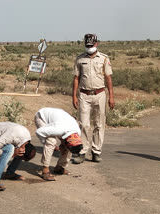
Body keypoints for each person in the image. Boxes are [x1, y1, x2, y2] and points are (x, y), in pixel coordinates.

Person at [72, 33, 115, 164]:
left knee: (99, 124)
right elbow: (76, 78)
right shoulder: (80, 59)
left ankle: (96, 152)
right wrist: (74, 96)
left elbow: (108, 78)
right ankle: (83, 152)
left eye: (91, 45)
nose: (89, 47)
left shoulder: (104, 58)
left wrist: (111, 96)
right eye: (87, 45)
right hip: (84, 94)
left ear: (96, 44)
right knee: (84, 124)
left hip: (100, 94)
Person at [0, 122, 36, 191]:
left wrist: (15, 154)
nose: (22, 160)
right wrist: (11, 155)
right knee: (10, 148)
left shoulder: (26, 140)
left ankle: (10, 173)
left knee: (18, 152)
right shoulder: (12, 136)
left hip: (3, 136)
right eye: (23, 159)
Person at [34, 107, 83, 181]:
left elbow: (69, 144)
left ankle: (59, 167)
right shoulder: (59, 130)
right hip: (42, 117)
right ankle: (45, 171)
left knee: (70, 147)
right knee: (51, 141)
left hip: (58, 120)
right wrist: (46, 143)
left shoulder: (77, 134)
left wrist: (64, 146)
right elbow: (39, 132)